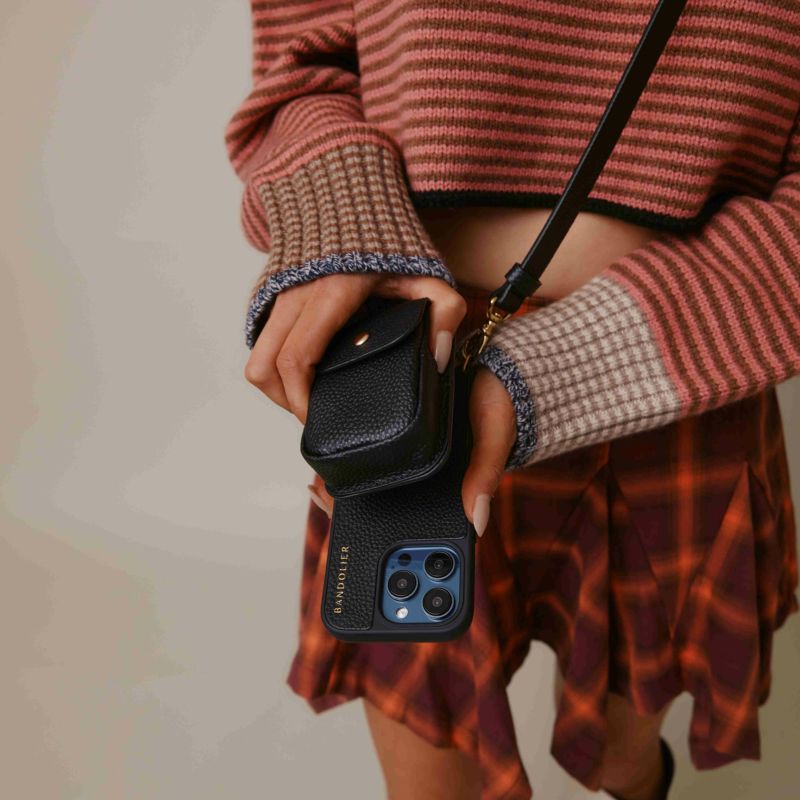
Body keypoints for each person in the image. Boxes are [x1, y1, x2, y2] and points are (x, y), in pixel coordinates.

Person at [224, 2, 800, 798]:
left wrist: (565, 367)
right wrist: (340, 220)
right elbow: (301, 73)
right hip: (420, 384)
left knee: (621, 757)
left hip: (687, 356)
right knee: (433, 778)